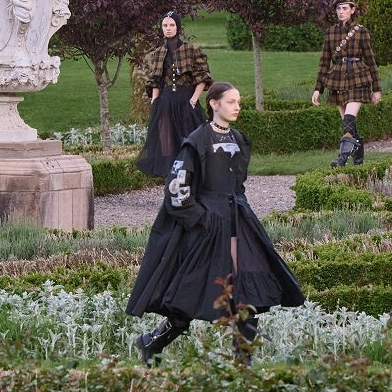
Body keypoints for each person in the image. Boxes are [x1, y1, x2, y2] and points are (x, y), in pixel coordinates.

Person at [127, 82, 305, 366]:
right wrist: (202, 218)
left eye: (238, 102)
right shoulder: (197, 141)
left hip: (239, 224)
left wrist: (235, 211)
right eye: (231, 102)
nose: (237, 107)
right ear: (213, 104)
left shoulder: (239, 139)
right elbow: (177, 189)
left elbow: (238, 184)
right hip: (208, 230)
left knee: (246, 291)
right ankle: (151, 342)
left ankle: (243, 363)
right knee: (191, 297)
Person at [135, 12, 212, 178]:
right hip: (165, 103)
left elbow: (203, 78)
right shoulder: (157, 53)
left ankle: (191, 180)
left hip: (186, 103)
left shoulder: (191, 50)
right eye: (165, 25)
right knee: (166, 145)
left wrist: (193, 100)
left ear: (178, 27)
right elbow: (155, 81)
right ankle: (171, 182)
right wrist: (155, 101)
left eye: (172, 25)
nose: (168, 28)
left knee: (189, 141)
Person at [312, 0, 382, 166]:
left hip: (358, 78)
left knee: (348, 119)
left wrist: (376, 88)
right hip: (337, 80)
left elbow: (370, 60)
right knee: (348, 125)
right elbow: (324, 62)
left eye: (345, 8)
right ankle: (358, 161)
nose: (341, 12)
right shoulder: (330, 32)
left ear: (352, 10)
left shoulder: (361, 31)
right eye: (338, 8)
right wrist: (318, 89)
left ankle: (342, 158)